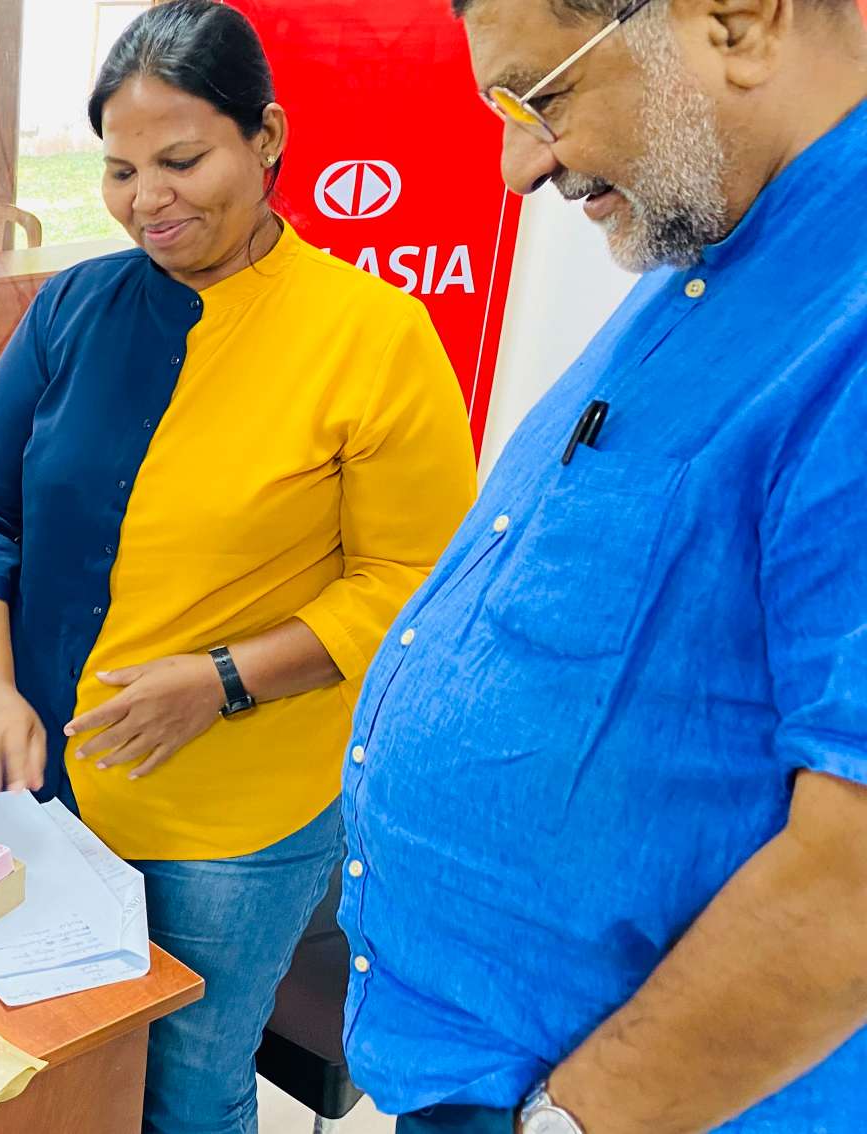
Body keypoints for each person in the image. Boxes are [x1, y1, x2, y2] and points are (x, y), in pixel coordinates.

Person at [0, 4, 476, 1131]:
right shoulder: (74, 307)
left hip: (232, 824)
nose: (148, 201)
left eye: (182, 161)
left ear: (265, 137)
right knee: (58, 1060)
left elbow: (411, 589)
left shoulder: (372, 336)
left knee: (186, 1088)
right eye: (121, 170)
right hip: (50, 784)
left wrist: (221, 681)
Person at [340, 0, 867, 1130]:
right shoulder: (710, 246)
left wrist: (573, 1118)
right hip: (481, 1065)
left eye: (545, 98)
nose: (519, 165)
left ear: (738, 22)